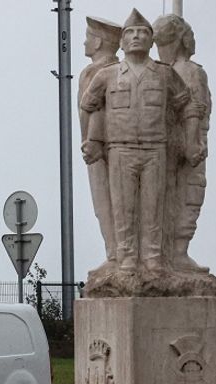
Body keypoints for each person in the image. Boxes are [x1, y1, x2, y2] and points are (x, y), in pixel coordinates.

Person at [80, 9, 200, 273]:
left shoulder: (164, 74)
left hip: (155, 149)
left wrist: (192, 141)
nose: (136, 37)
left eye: (143, 33)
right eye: (130, 33)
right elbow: (91, 105)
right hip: (120, 149)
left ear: (151, 40)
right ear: (122, 43)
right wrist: (93, 140)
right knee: (124, 209)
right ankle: (126, 259)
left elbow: (188, 106)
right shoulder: (107, 75)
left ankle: (153, 259)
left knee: (153, 208)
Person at [153, 14, 211, 272]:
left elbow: (195, 113)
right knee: (183, 197)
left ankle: (177, 253)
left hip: (188, 147)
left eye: (161, 43)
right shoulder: (178, 71)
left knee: (186, 196)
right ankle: (176, 252)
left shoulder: (189, 71)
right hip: (175, 147)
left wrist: (192, 143)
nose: (158, 50)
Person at [78, 16, 122, 274]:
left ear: (98, 41)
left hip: (101, 148)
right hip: (95, 147)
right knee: (103, 203)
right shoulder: (98, 70)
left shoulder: (101, 72)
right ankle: (113, 251)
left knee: (106, 202)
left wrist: (91, 140)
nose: (85, 41)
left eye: (88, 36)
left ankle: (115, 254)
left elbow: (95, 109)